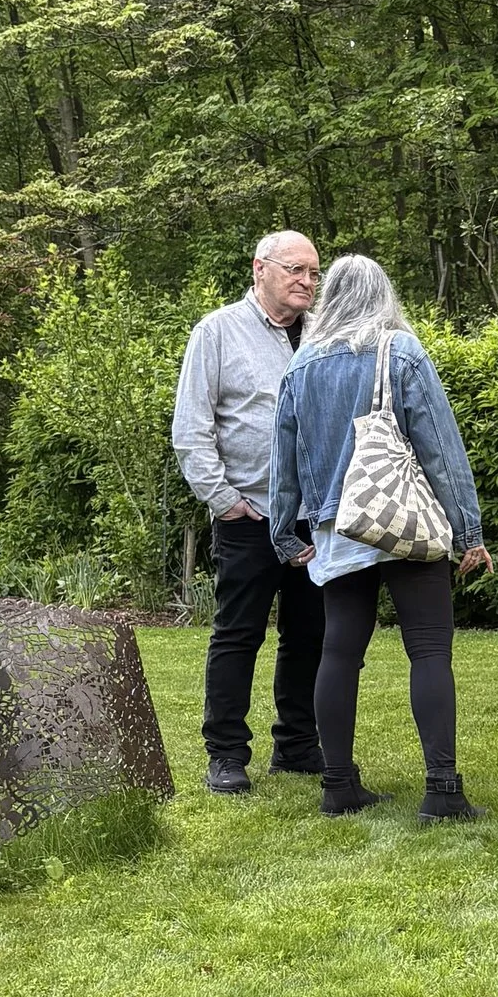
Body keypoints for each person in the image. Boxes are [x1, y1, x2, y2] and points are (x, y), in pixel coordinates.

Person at [267, 253, 492, 820]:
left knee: (338, 650)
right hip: (407, 520)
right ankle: (442, 791)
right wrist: (468, 532)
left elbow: (285, 463)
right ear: (384, 294)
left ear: (330, 297)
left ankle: (338, 784)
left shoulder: (302, 365)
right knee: (430, 649)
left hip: (338, 527)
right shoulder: (401, 352)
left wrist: (286, 537)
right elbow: (441, 449)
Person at [172, 228, 325, 795]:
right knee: (238, 636)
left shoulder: (323, 334)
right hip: (251, 517)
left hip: (314, 518)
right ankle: (227, 754)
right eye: (296, 270)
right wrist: (226, 502)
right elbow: (192, 429)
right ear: (261, 269)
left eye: (314, 272)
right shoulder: (217, 332)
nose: (307, 282)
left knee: (311, 634)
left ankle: (297, 746)